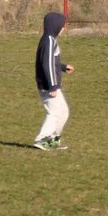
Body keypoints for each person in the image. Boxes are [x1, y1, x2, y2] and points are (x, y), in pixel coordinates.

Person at [34, 12, 75, 150]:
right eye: (62, 26)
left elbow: (52, 61)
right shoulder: (49, 41)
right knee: (55, 112)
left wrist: (63, 67)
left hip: (51, 84)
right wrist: (53, 86)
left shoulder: (50, 40)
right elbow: (47, 64)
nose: (64, 28)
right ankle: (42, 139)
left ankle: (52, 141)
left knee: (63, 111)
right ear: (55, 25)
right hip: (48, 85)